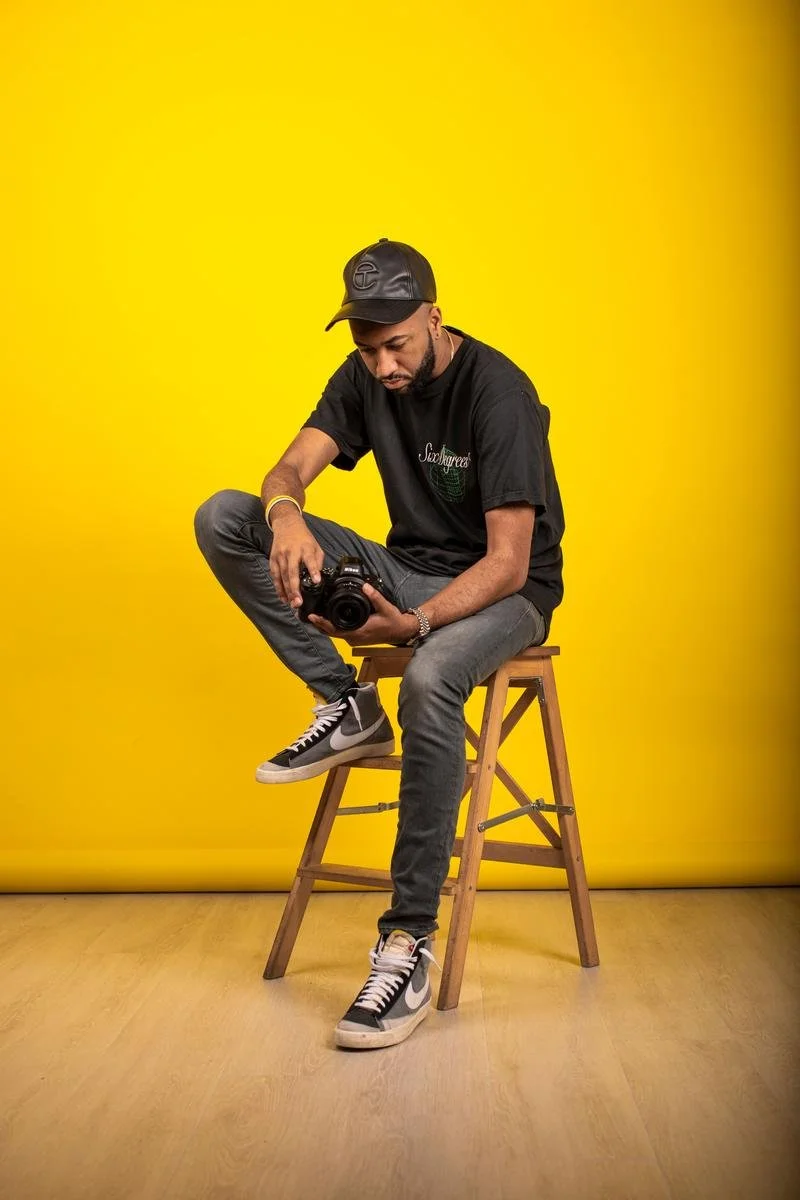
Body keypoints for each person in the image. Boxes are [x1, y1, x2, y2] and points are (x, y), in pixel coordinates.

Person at [194, 238, 565, 1050]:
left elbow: (509, 563)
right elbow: (287, 469)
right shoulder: (363, 374)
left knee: (430, 677)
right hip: (408, 566)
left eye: (397, 344)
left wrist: (416, 625)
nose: (384, 365)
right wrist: (286, 515)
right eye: (369, 349)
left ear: (435, 317)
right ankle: (345, 701)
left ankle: (407, 941)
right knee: (226, 516)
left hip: (507, 592)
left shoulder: (499, 393)